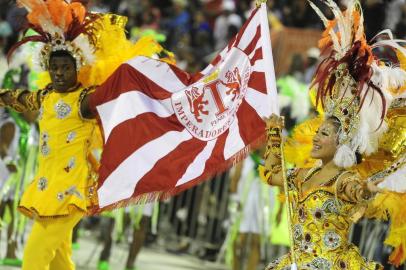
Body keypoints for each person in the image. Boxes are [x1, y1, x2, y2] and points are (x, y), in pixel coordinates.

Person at [0, 1, 168, 269]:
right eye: (54, 67)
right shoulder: (45, 96)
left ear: (78, 67)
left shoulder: (85, 101)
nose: (59, 73)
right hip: (46, 187)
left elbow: (113, 92)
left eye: (65, 67)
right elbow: (17, 98)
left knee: (34, 257)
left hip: (70, 192)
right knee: (59, 260)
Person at [260, 1, 406, 269]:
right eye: (318, 132)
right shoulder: (306, 174)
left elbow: (359, 193)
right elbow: (272, 175)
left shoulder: (345, 180)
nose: (315, 138)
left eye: (324, 133)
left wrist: (368, 192)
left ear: (341, 142)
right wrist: (272, 134)